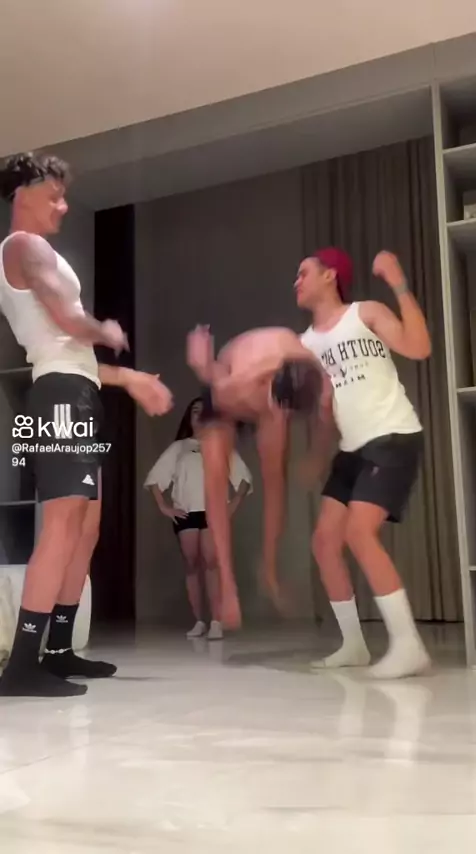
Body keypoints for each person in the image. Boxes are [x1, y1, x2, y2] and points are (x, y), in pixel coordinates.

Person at [0, 152, 173, 698]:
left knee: (86, 527)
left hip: (75, 390)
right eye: (53, 195)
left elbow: (73, 351)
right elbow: (69, 323)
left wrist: (131, 378)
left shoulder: (38, 250)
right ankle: (22, 665)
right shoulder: (22, 246)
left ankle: (58, 650)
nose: (63, 206)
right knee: (62, 524)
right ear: (22, 194)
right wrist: (106, 329)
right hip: (59, 397)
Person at [296, 246, 432, 679]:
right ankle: (354, 645)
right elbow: (324, 413)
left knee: (359, 531)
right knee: (324, 542)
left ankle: (409, 647)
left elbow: (419, 347)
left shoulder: (365, 313)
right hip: (351, 449)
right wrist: (317, 454)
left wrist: (397, 282)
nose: (296, 281)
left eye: (303, 272)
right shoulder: (305, 345)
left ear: (330, 275)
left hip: (392, 435)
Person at [187, 325, 330, 631]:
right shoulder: (241, 381)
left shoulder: (316, 376)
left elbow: (324, 419)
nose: (280, 415)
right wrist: (203, 366)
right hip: (228, 389)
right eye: (277, 406)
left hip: (274, 384)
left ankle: (268, 569)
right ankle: (228, 585)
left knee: (276, 481)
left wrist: (316, 458)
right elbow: (214, 382)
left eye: (287, 413)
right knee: (215, 479)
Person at [144, 397, 252, 640]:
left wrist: (231, 507)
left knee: (211, 563)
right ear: (189, 418)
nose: (200, 415)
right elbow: (155, 479)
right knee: (192, 565)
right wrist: (164, 507)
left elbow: (244, 480)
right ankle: (199, 621)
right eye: (195, 411)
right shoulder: (179, 448)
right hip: (186, 513)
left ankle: (216, 621)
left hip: (213, 513)